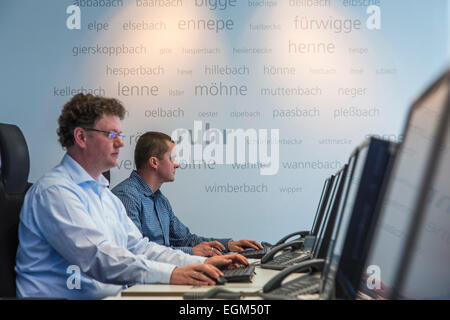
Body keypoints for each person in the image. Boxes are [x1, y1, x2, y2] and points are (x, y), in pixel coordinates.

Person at [15, 93, 247, 299]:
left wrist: (200, 263)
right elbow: (99, 259)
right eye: (111, 134)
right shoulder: (56, 192)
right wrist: (173, 273)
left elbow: (138, 247)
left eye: (120, 134)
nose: (121, 142)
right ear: (81, 137)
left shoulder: (104, 195)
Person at [112, 131, 264, 257]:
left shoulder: (160, 200)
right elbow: (136, 252)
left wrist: (228, 245)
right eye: (172, 159)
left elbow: (186, 239)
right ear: (154, 162)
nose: (176, 164)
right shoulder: (127, 196)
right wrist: (192, 252)